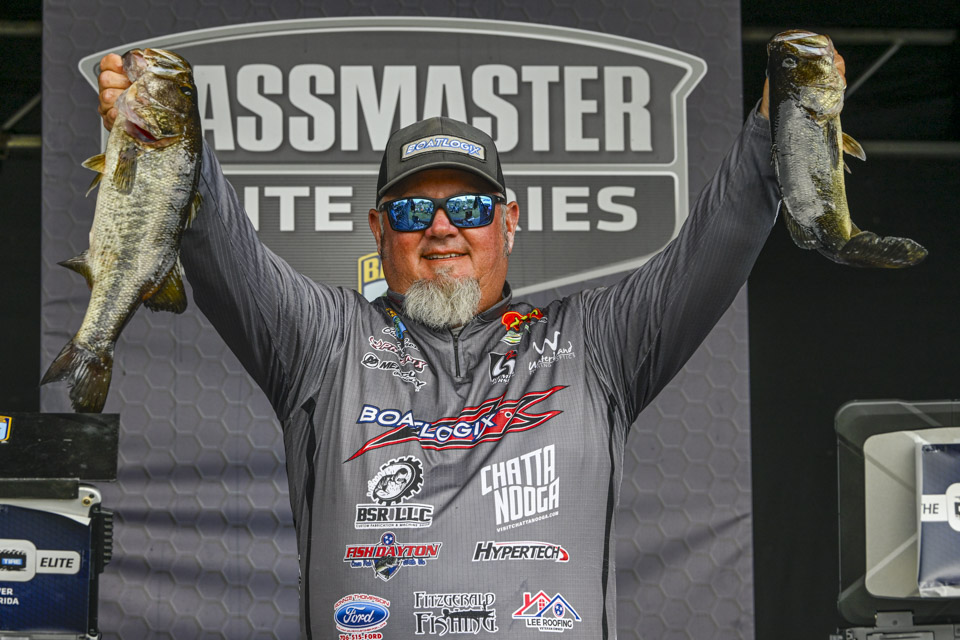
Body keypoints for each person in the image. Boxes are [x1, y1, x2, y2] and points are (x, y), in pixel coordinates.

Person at [97, 48, 843, 639]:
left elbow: (719, 240)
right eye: (413, 209)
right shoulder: (323, 342)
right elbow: (218, 242)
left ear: (508, 222)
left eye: (471, 206)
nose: (442, 227)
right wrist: (164, 137)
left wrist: (778, 117)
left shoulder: (598, 344)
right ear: (379, 229)